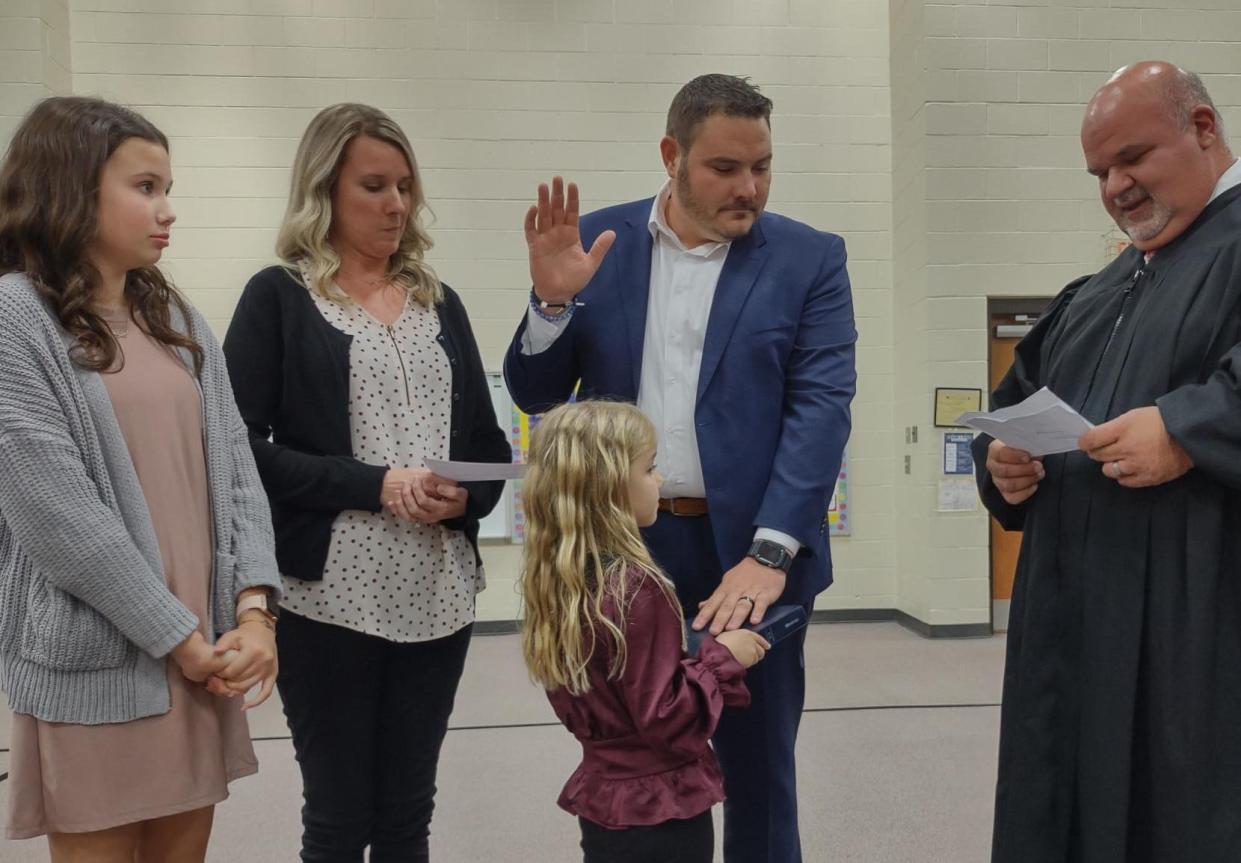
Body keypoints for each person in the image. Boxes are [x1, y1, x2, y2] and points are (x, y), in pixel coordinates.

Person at [504, 74, 856, 863]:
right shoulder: (598, 243)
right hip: (625, 555)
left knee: (760, 774)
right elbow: (534, 394)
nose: (749, 187)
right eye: (725, 168)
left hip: (751, 555)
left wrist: (771, 553)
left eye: (762, 166)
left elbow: (820, 408)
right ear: (670, 156)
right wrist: (551, 306)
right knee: (643, 764)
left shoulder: (809, 258)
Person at [223, 102, 510, 862]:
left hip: (436, 596)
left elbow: (487, 447)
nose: (396, 205)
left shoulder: (439, 302)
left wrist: (464, 494)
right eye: (374, 186)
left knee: (408, 815)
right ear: (324, 191)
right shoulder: (278, 297)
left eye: (405, 187)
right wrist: (374, 484)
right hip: (329, 601)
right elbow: (235, 449)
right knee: (340, 817)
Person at [0, 96, 281, 862]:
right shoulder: (14, 318)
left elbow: (237, 475)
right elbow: (57, 517)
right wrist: (179, 638)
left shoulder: (175, 318)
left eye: (167, 188)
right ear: (71, 188)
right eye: (146, 187)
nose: (168, 210)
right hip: (105, 663)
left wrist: (254, 612)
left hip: (199, 666)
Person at [974, 61, 1241, 862]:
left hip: (1194, 625)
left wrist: (1188, 427)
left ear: (1202, 129)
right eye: (1099, 172)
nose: (1115, 186)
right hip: (1069, 621)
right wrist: (1003, 463)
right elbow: (1016, 401)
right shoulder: (1099, 287)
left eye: (1131, 159)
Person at [518, 400, 769, 863]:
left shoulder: (563, 578)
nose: (660, 481)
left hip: (606, 798)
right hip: (661, 807)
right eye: (649, 469)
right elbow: (669, 721)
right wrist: (723, 658)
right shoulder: (637, 587)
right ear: (610, 485)